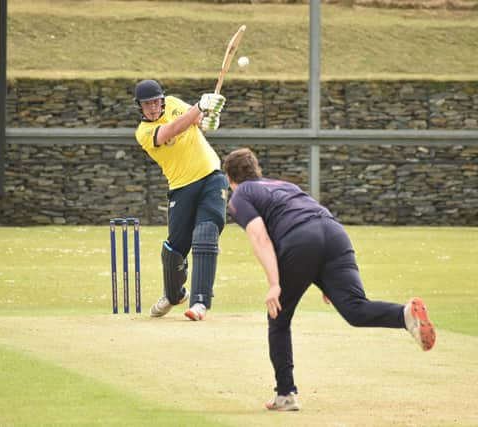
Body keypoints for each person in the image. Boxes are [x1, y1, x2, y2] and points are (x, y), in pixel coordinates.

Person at [222, 148, 436, 411]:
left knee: (278, 318)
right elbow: (307, 220)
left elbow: (259, 236)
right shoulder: (284, 185)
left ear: (230, 179)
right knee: (354, 308)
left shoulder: (240, 194)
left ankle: (286, 394)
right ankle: (405, 315)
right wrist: (325, 279)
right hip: (334, 232)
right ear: (257, 170)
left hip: (302, 239)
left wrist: (274, 284)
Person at [134, 79, 228, 321]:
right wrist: (199, 106)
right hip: (181, 187)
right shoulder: (143, 133)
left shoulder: (175, 103)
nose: (153, 107)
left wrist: (209, 118)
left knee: (206, 233)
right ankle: (174, 294)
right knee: (174, 251)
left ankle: (200, 302)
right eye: (147, 104)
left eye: (156, 102)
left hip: (211, 176)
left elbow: (197, 120)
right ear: (140, 107)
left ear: (163, 100)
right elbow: (170, 131)